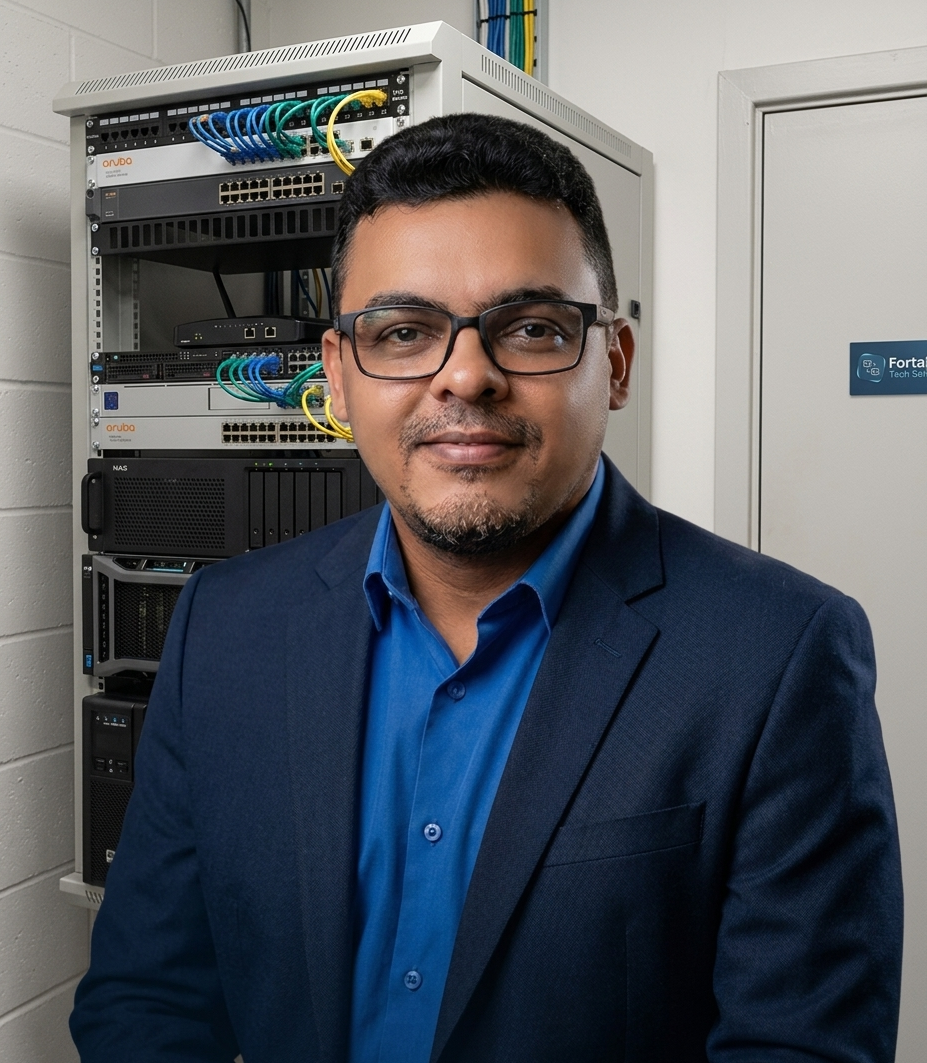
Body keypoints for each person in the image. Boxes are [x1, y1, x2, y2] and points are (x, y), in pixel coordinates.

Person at [70, 113, 903, 1063]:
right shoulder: (226, 628)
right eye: (402, 330)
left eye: (533, 327)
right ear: (338, 377)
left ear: (614, 363)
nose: (465, 375)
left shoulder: (777, 655)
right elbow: (147, 998)